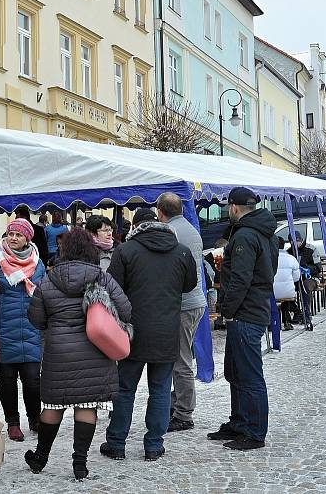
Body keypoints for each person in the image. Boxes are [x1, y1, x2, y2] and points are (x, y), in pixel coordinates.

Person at [26, 228, 132, 480]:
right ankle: (80, 464)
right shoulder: (102, 278)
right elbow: (126, 310)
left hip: (58, 353)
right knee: (86, 405)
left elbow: (36, 320)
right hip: (94, 352)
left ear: (64, 250)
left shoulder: (47, 281)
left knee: (53, 405)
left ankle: (40, 457)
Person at [102, 209, 197, 462]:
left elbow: (112, 288)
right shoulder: (181, 251)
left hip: (133, 330)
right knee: (161, 390)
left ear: (135, 227)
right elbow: (189, 285)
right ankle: (154, 445)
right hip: (167, 330)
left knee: (124, 389)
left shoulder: (125, 250)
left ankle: (116, 442)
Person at [210, 187, 277, 451]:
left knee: (249, 375)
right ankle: (239, 422)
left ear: (234, 208)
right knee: (235, 371)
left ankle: (254, 431)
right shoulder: (260, 233)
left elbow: (241, 278)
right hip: (249, 310)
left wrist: (227, 309)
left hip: (246, 313)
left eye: (228, 208)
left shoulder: (246, 236)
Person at [0, 218, 45, 442]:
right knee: (7, 380)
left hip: (30, 327)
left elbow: (43, 291)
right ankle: (13, 422)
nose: (13, 238)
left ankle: (34, 417)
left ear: (27, 238)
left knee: (32, 380)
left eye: (19, 235)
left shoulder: (37, 263)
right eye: (10, 234)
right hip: (4, 327)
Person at [155, 192, 207, 433]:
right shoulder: (190, 229)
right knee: (181, 355)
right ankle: (178, 404)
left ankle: (184, 413)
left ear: (160, 212)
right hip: (196, 301)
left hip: (184, 303)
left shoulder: (171, 233)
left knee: (180, 360)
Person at [273, 237, 301, 331]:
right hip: (288, 292)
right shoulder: (291, 258)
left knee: (271, 295)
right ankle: (286, 321)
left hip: (272, 292)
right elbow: (297, 278)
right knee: (285, 294)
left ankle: (272, 322)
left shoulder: (267, 258)